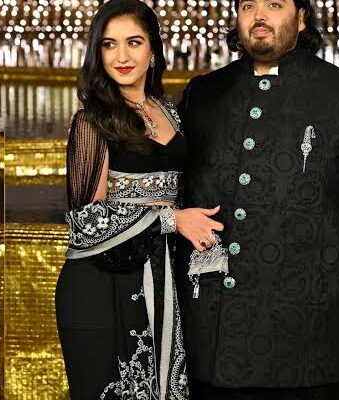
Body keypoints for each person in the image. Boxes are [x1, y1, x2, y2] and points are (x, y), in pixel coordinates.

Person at [176, 0, 339, 398]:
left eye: (274, 4)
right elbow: (171, 180)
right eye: (248, 6)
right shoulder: (203, 94)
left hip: (315, 321)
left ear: (301, 19)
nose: (259, 16)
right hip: (216, 318)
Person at [54, 1, 221, 398]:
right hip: (101, 288)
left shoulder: (169, 112)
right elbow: (86, 223)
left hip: (161, 279)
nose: (122, 56)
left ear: (153, 50)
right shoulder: (91, 121)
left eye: (133, 42)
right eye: (109, 45)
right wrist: (172, 220)